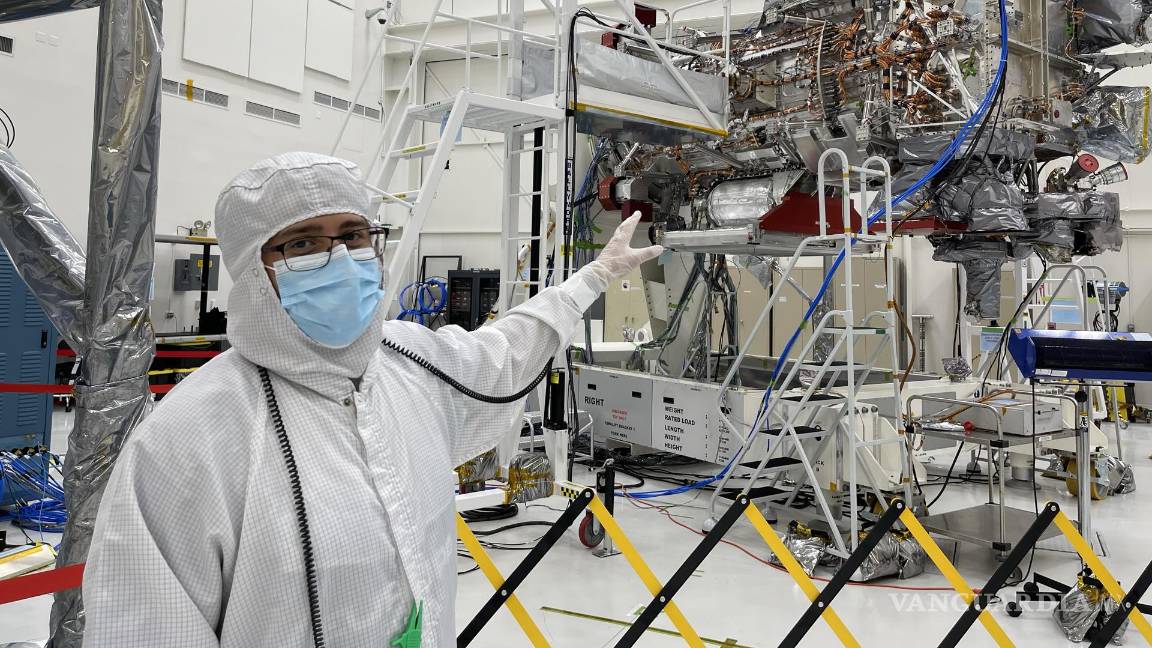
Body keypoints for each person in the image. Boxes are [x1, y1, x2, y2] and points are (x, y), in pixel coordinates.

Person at [81, 152, 662, 647]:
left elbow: (502, 353)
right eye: (304, 243)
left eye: (353, 235)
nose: (339, 258)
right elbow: (145, 624)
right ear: (253, 268)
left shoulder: (407, 362)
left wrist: (592, 278)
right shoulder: (191, 436)